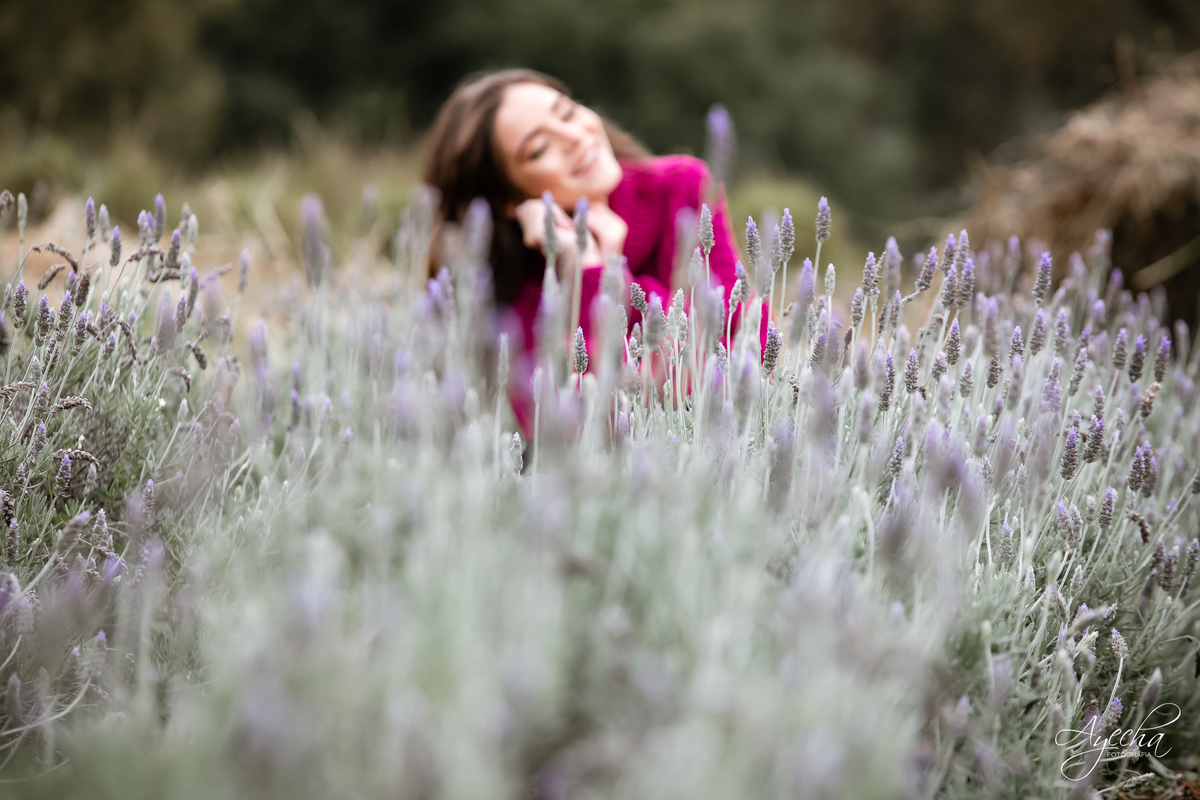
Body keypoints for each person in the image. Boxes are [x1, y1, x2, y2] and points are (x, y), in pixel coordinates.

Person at [421, 68, 769, 438]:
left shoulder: (683, 189)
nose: (574, 136)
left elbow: (758, 354)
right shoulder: (511, 292)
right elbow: (573, 435)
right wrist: (584, 274)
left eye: (567, 113)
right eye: (539, 148)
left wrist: (619, 282)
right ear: (509, 200)